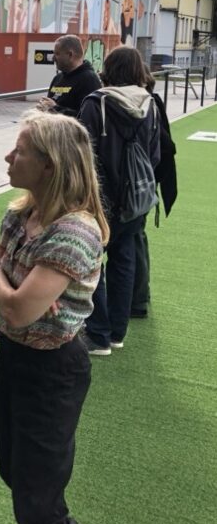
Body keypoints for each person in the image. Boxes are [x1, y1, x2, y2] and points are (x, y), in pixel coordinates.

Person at [0, 111, 109, 524]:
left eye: (20, 151)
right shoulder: (22, 213)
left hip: (54, 370)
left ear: (50, 166)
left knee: (37, 497)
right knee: (14, 469)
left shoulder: (74, 232)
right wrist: (11, 295)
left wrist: (11, 294)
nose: (8, 158)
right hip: (14, 356)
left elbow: (16, 301)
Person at [78, 46, 160, 355]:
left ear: (109, 67)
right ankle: (116, 333)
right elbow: (154, 154)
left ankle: (97, 333)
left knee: (92, 261)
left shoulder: (96, 103)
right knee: (124, 261)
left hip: (99, 198)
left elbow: (83, 154)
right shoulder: (150, 103)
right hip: (136, 198)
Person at [131, 67, 177, 318]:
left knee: (133, 239)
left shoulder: (146, 105)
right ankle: (139, 296)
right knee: (136, 237)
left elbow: (160, 149)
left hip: (139, 185)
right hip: (146, 183)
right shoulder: (151, 102)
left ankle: (137, 299)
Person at [37, 35, 101, 117]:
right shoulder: (57, 78)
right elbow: (50, 109)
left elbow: (89, 118)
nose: (53, 58)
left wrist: (56, 109)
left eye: (57, 54)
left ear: (70, 55)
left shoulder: (90, 80)